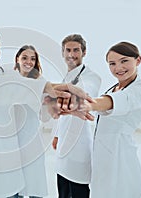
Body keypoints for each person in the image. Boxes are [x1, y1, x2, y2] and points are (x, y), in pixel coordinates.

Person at [0, 26, 93, 198]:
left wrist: (55, 104)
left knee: (21, 188)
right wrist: (52, 89)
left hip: (14, 147)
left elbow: (24, 94)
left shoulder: (8, 75)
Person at [80, 41, 141, 198]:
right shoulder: (114, 88)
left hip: (121, 159)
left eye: (124, 61)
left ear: (138, 60)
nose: (118, 68)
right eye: (112, 63)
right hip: (103, 156)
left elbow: (113, 101)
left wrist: (87, 104)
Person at [52, 34, 101, 198]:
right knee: (63, 190)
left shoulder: (91, 76)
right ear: (62, 53)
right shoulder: (66, 76)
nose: (71, 54)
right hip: (63, 142)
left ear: (84, 52)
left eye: (76, 50)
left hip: (79, 144)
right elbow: (62, 111)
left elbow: (86, 90)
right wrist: (57, 135)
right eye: (68, 50)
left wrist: (77, 94)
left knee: (78, 189)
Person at [13, 45, 48, 198]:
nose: (29, 62)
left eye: (33, 59)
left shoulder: (42, 83)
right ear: (17, 59)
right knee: (14, 185)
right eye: (25, 58)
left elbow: (45, 116)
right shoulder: (9, 81)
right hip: (12, 141)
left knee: (35, 184)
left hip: (32, 139)